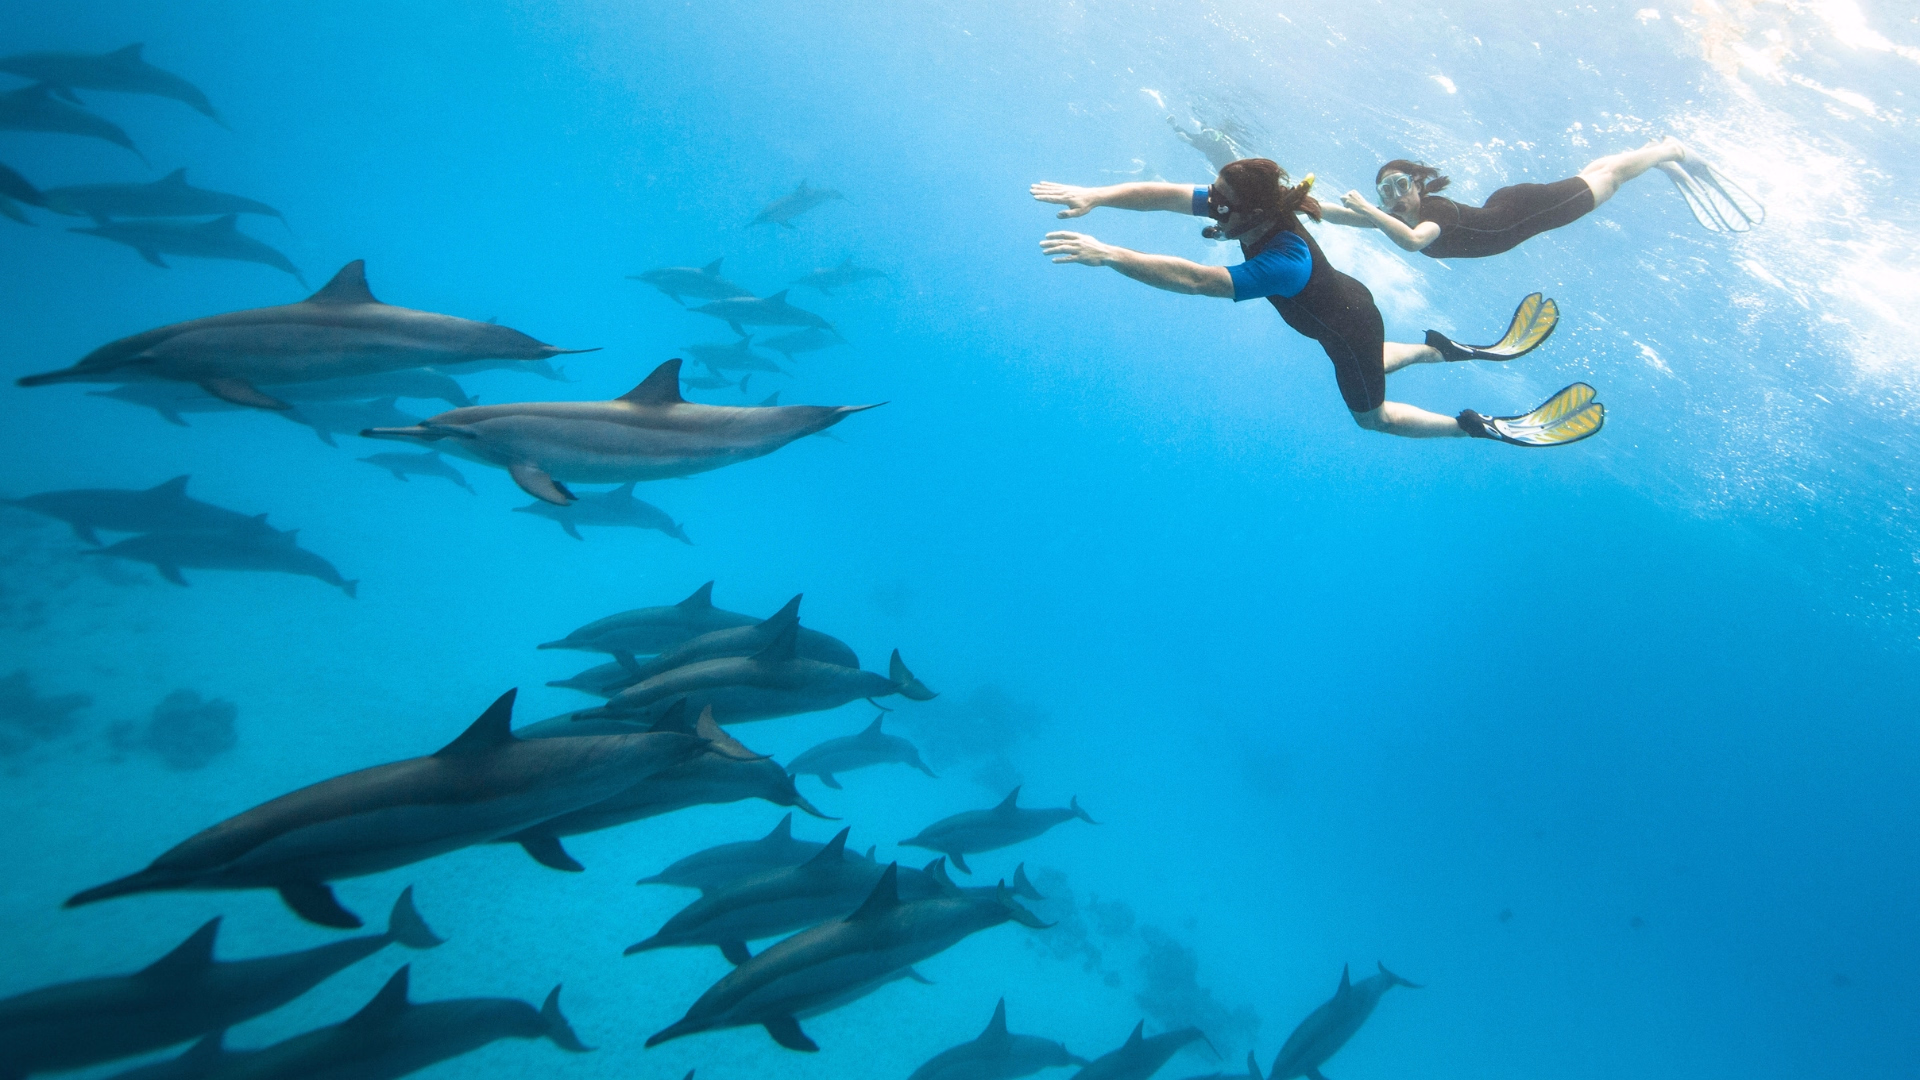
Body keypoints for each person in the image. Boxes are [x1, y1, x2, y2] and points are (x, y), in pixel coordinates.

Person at [1031, 159, 1604, 446]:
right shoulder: (1246, 207)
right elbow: (1165, 194)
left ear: (1252, 209)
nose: (1210, 204)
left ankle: (1474, 426)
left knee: (1372, 418)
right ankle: (1444, 350)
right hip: (1350, 313)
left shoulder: (1286, 259)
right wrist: (1097, 195)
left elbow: (1200, 281)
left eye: (1220, 201)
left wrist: (1110, 254)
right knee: (1372, 358)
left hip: (1348, 327)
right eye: (1214, 195)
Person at [1318, 138, 1763, 259]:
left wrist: (1368, 207)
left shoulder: (1432, 211)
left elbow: (1415, 243)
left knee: (1609, 180)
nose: (1394, 196)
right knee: (1592, 176)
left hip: (1524, 211)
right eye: (1385, 191)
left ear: (1418, 185)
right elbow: (1341, 216)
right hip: (1508, 206)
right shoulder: (1398, 219)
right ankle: (1651, 155)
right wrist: (1298, 203)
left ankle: (1671, 150)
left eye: (1400, 185)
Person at [1166, 115, 1248, 173]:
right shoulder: (1204, 138)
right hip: (1221, 156)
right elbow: (1187, 134)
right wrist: (1174, 125)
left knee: (1203, 145)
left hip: (1219, 157)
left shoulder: (1205, 138)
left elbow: (1187, 134)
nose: (1206, 134)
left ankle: (1190, 141)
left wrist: (1174, 125)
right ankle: (1190, 141)